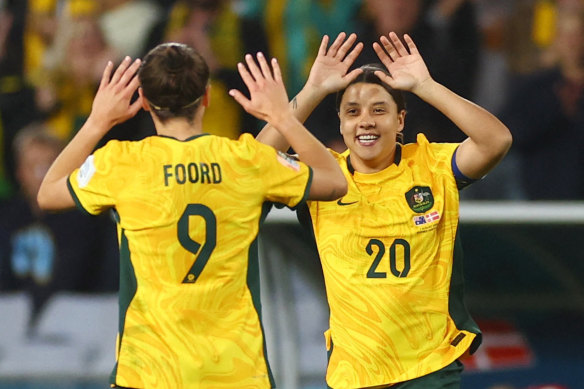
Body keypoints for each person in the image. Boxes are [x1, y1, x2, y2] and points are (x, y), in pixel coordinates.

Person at [37, 42, 347, 388]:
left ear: (143, 100)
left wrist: (97, 121)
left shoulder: (120, 164)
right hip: (236, 372)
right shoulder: (243, 162)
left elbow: (48, 192)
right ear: (207, 97)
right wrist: (289, 112)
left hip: (148, 373)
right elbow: (334, 181)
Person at [257, 32, 512, 388]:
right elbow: (254, 165)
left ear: (401, 121)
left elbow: (496, 140)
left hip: (428, 367)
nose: (366, 120)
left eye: (380, 109)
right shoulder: (323, 177)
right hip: (353, 373)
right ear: (341, 124)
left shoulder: (431, 165)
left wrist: (425, 85)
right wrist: (313, 89)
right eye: (352, 111)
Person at [0, 124, 118, 326]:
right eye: (33, 166)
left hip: (71, 322)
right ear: (20, 172)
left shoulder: (87, 219)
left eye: (48, 166)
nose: (41, 175)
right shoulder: (7, 216)